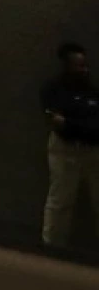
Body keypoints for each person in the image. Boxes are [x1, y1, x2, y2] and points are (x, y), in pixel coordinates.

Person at [43, 41, 99, 246]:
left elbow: (93, 125)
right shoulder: (53, 89)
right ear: (67, 66)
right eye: (79, 65)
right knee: (60, 201)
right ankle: (52, 248)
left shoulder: (91, 91)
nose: (84, 70)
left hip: (92, 148)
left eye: (85, 65)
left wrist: (70, 122)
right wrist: (80, 124)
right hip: (65, 150)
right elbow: (57, 123)